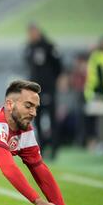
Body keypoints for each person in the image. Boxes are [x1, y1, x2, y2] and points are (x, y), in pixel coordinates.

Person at [24, 23, 62, 159]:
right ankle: (41, 146)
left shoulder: (49, 46)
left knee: (51, 117)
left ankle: (54, 148)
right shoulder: (29, 48)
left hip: (48, 88)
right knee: (36, 117)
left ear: (38, 32)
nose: (30, 35)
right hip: (34, 90)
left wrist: (55, 80)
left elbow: (58, 66)